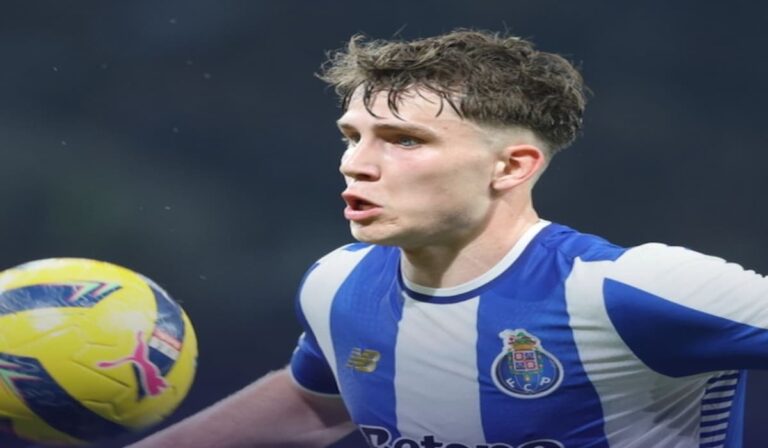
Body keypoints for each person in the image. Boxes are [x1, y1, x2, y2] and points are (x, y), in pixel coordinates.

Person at [130, 29, 768, 448]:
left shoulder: (632, 290)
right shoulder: (339, 284)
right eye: (354, 136)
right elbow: (314, 401)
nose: (356, 163)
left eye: (406, 140)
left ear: (512, 166)